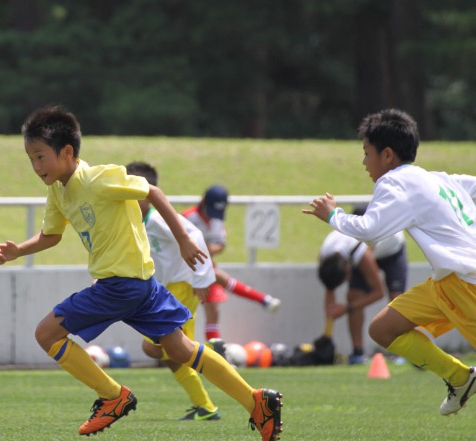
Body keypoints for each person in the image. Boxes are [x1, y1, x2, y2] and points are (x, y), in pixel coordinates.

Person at [0, 106, 282, 441]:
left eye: (41, 156)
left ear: (67, 152)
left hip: (119, 286)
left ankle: (112, 396)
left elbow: (153, 193)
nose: (36, 166)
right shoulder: (58, 191)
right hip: (143, 286)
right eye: (31, 159)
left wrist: (184, 238)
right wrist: (18, 250)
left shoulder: (99, 178)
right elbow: (51, 235)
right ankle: (256, 402)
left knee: (46, 334)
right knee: (179, 349)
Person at [303, 108, 476, 416]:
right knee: (383, 329)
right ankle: (460, 378)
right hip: (446, 282)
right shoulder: (436, 179)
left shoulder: (395, 181)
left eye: (366, 153)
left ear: (386, 155)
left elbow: (370, 229)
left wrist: (332, 215)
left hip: (467, 283)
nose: (364, 162)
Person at [126, 161, 220, 422]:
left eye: (133, 188)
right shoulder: (135, 220)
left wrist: (201, 278)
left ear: (148, 192)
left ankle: (211, 356)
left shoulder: (158, 218)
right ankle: (205, 404)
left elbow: (195, 236)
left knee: (166, 349)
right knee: (161, 351)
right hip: (165, 290)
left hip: (182, 286)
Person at [183, 185, 281, 342]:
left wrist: (207, 249)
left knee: (213, 310)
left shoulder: (217, 220)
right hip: (184, 267)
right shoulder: (187, 218)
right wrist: (202, 250)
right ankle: (262, 299)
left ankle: (216, 351)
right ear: (203, 203)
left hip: (205, 266)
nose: (213, 216)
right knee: (213, 281)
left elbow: (220, 245)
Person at [317, 207, 407, 364]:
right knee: (354, 296)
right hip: (364, 250)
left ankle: (404, 352)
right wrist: (327, 335)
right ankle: (357, 353)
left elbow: (378, 292)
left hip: (392, 250)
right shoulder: (325, 255)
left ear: (348, 271)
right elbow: (329, 287)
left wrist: (346, 308)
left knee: (396, 299)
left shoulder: (360, 254)